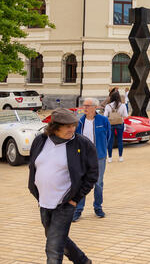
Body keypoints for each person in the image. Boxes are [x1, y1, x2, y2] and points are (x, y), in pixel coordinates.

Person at [29, 108, 98, 264]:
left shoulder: (82, 144)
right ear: (54, 127)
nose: (71, 129)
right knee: (57, 239)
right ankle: (82, 261)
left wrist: (76, 198)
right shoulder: (40, 141)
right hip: (44, 201)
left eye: (73, 125)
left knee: (53, 248)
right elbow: (33, 166)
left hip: (65, 203)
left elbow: (92, 173)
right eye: (67, 126)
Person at [72, 98, 110, 222]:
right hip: (83, 157)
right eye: (84, 105)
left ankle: (98, 207)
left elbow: (108, 137)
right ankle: (78, 210)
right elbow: (75, 139)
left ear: (95, 107)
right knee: (82, 183)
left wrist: (103, 150)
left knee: (98, 182)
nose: (85, 108)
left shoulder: (103, 120)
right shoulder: (79, 122)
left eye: (88, 106)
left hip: (99, 156)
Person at [103, 90, 127, 163]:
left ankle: (110, 157)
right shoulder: (122, 105)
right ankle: (120, 157)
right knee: (120, 140)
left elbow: (105, 116)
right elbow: (125, 115)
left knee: (110, 140)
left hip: (111, 124)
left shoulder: (108, 106)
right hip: (120, 123)